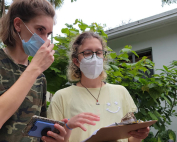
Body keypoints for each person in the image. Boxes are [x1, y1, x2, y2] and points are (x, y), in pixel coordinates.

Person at [47, 31, 150, 142]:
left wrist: (139, 135)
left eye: (99, 52)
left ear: (104, 58)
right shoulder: (61, 96)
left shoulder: (121, 92)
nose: (94, 58)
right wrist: (68, 127)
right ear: (76, 61)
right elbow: (52, 138)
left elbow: (130, 138)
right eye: (88, 53)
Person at [0, 0, 67, 141]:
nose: (44, 40)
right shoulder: (34, 70)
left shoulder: (40, 77)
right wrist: (35, 68)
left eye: (48, 34)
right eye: (40, 30)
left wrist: (56, 136)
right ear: (18, 24)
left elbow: (37, 133)